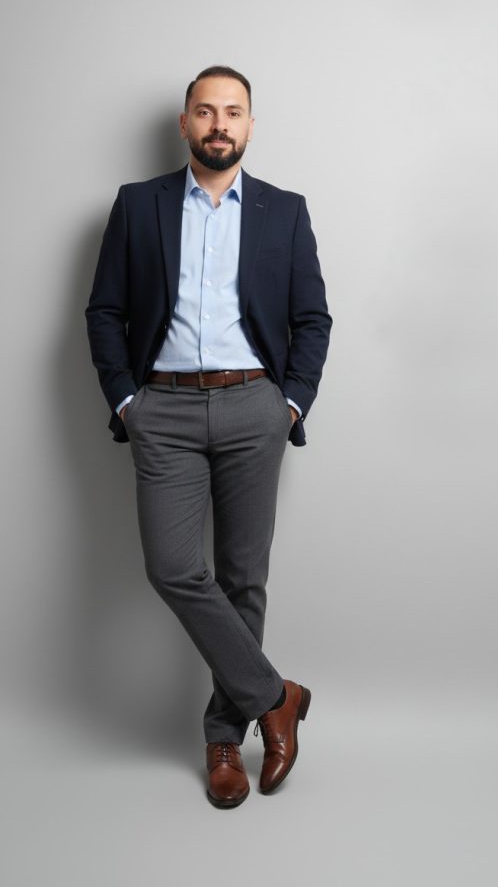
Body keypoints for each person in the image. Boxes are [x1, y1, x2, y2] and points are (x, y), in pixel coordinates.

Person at [85, 65, 332, 808]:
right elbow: (105, 311)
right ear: (185, 123)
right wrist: (127, 401)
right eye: (205, 111)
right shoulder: (139, 205)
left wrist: (290, 406)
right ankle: (276, 697)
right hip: (161, 409)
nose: (218, 124)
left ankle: (224, 737)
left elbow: (312, 319)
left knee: (242, 577)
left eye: (232, 112)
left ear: (250, 125)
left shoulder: (285, 211)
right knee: (172, 566)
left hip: (254, 405)